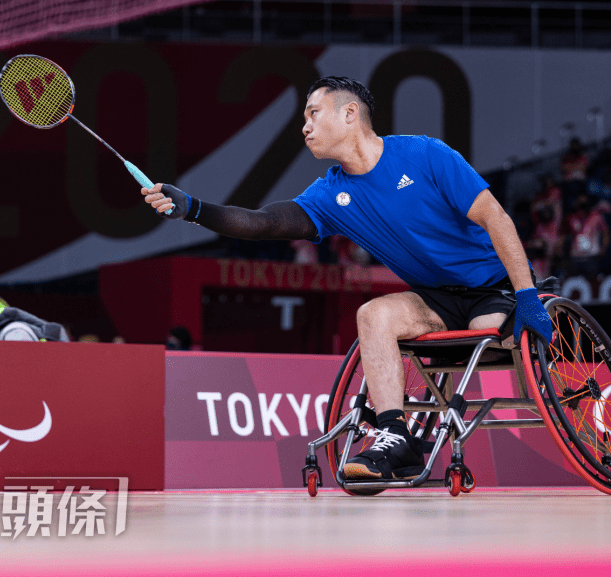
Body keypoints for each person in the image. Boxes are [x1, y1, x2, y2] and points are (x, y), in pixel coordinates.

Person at [141, 76, 552, 482]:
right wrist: (194, 208)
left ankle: (520, 317)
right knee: (374, 315)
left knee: (483, 329)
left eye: (313, 114)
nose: (305, 127)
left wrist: (527, 294)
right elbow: (261, 223)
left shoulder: (425, 155)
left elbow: (496, 218)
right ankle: (394, 434)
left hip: (496, 285)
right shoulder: (329, 196)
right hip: (436, 299)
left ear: (350, 113)